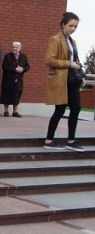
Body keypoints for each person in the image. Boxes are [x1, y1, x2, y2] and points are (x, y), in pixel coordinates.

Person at [44, 12, 85, 151]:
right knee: (60, 110)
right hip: (61, 80)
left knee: (76, 108)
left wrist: (81, 75)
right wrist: (69, 64)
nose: (73, 29)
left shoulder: (72, 41)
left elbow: (76, 61)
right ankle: (49, 140)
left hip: (72, 80)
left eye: (76, 26)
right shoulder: (55, 39)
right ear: (63, 25)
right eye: (71, 26)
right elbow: (50, 60)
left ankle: (71, 140)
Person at [0, 41, 30, 117]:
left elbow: (27, 66)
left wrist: (23, 69)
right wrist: (15, 69)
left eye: (16, 47)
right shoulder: (8, 56)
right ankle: (6, 111)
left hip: (18, 80)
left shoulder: (23, 56)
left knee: (16, 95)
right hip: (8, 80)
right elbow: (4, 67)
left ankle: (15, 111)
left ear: (19, 48)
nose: (14, 49)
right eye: (13, 47)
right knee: (6, 95)